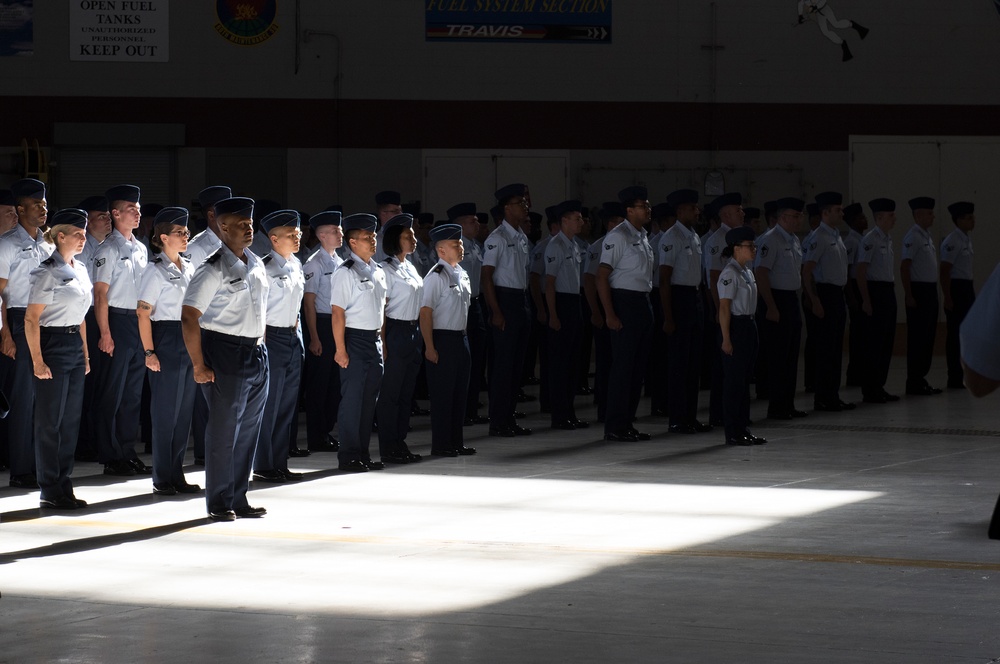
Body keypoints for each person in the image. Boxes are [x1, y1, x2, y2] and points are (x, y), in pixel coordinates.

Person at [182, 197, 269, 521]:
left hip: (256, 351)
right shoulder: (213, 268)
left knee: (248, 430)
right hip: (225, 351)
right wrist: (199, 365)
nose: (249, 229)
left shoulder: (256, 263)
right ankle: (218, 500)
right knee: (223, 431)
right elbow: (190, 317)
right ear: (223, 227)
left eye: (250, 224)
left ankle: (239, 496)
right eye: (241, 225)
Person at [25, 208, 92, 508]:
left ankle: (65, 484)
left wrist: (85, 354)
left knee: (70, 421)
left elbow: (81, 317)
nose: (83, 238)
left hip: (73, 345)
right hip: (51, 343)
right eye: (77, 234)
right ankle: (49, 488)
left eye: (85, 233)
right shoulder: (47, 271)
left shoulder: (80, 269)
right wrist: (38, 361)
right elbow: (31, 319)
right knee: (50, 422)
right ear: (60, 236)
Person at [137, 206, 201, 496]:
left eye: (186, 232)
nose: (185, 236)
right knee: (165, 413)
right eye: (179, 233)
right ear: (163, 237)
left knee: (183, 413)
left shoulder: (188, 267)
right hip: (166, 336)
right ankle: (162, 476)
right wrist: (150, 352)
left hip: (188, 337)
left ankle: (177, 473)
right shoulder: (155, 270)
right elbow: (143, 313)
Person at [0, 178, 54, 489]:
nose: (43, 209)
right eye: (37, 205)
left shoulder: (47, 245)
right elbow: (0, 295)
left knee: (42, 397)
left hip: (45, 321)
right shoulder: (7, 244)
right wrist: (5, 334)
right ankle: (21, 469)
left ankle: (38, 463)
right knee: (22, 397)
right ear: (20, 209)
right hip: (19, 320)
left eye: (45, 204)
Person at [252, 209, 307, 483]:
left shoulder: (296, 264)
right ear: (273, 239)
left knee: (287, 404)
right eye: (290, 235)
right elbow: (259, 310)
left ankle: (280, 461)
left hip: (292, 336)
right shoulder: (265, 267)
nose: (297, 238)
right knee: (270, 404)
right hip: (271, 337)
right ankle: (264, 464)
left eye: (297, 233)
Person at [597, 185, 654, 442]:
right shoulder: (618, 236)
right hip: (624, 302)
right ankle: (614, 426)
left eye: (648, 205)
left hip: (642, 302)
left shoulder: (642, 235)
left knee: (637, 368)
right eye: (643, 206)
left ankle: (627, 423)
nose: (648, 209)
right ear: (630, 211)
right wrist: (610, 313)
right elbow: (601, 277)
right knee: (623, 369)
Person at [332, 213, 387, 472]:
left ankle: (363, 453)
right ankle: (349, 455)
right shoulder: (346, 272)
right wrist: (341, 349)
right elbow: (338, 313)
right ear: (352, 243)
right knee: (353, 401)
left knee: (368, 402)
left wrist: (382, 342)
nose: (373, 241)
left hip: (373, 339)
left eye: (374, 236)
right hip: (354, 340)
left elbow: (380, 311)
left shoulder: (377, 270)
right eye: (367, 237)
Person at [185, 185, 233, 465]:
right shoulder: (197, 247)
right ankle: (204, 451)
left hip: (226, 325)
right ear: (213, 213)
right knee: (205, 390)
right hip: (204, 324)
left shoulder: (233, 242)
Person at [659, 189, 713, 434]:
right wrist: (669, 316)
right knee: (679, 364)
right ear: (680, 211)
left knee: (694, 363)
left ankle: (690, 416)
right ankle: (677, 418)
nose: (697, 211)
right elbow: (665, 279)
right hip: (679, 299)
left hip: (695, 297)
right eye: (693, 208)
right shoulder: (672, 237)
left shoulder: (694, 236)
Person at [481, 183, 532, 438]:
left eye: (525, 203)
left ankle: (509, 418)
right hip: (504, 300)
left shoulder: (522, 237)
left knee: (516, 366)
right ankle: (498, 421)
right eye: (520, 204)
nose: (525, 207)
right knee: (502, 365)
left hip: (520, 300)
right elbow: (487, 277)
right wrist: (496, 311)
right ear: (506, 208)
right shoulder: (497, 239)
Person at [421, 223, 476, 457]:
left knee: (459, 394)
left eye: (461, 243)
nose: (460, 247)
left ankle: (456, 441)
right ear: (441, 250)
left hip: (460, 338)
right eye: (455, 244)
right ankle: (441, 444)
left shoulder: (461, 273)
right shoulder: (436, 276)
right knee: (443, 395)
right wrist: (430, 346)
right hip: (442, 339)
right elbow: (425, 312)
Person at [754, 197, 808, 420]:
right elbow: (761, 273)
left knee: (791, 355)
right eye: (795, 216)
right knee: (778, 356)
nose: (799, 220)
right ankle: (776, 406)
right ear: (783, 217)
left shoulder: (794, 240)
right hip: (776, 299)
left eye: (799, 216)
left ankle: (788, 403)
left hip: (791, 299)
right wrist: (771, 306)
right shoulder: (770, 239)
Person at [376, 213, 424, 464]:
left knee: (406, 393)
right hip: (394, 331)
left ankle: (400, 441)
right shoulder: (385, 269)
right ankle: (388, 445)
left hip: (412, 331)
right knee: (391, 393)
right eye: (408, 236)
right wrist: (382, 341)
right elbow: (382, 309)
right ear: (396, 239)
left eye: (413, 234)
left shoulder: (410, 267)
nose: (414, 239)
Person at [802, 191, 855, 412]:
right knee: (825, 349)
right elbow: (807, 272)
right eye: (838, 210)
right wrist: (814, 300)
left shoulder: (835, 236)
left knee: (835, 349)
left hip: (836, 295)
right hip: (824, 294)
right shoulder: (819, 238)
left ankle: (832, 394)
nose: (842, 213)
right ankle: (822, 397)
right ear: (825, 213)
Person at [717, 226, 766, 446]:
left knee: (745, 381)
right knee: (734, 382)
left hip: (749, 325)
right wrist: (726, 339)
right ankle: (733, 431)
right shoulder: (730, 273)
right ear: (737, 248)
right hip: (736, 326)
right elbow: (725, 308)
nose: (754, 249)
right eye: (749, 246)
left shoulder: (746, 271)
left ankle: (743, 428)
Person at [301, 210, 344, 454]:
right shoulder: (314, 264)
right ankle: (316, 436)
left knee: (334, 383)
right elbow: (309, 303)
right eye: (335, 231)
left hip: (338, 322)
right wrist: (315, 337)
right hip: (322, 324)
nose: (340, 234)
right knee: (319, 384)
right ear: (322, 235)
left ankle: (327, 430)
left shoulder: (339, 261)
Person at [544, 200, 588, 430]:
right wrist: (553, 314)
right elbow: (549, 284)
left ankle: (569, 412)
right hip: (561, 303)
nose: (581, 222)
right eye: (577, 218)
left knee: (573, 363)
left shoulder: (574, 245)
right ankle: (559, 415)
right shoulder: (556, 246)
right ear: (564, 221)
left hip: (574, 302)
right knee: (560, 364)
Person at [703, 193, 745, 426]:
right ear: (726, 215)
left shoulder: (740, 238)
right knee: (722, 367)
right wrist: (720, 312)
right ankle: (719, 415)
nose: (743, 213)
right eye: (738, 210)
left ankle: (736, 414)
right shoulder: (717, 240)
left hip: (740, 308)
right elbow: (713, 278)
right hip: (726, 309)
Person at [855, 198, 900, 403]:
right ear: (879, 217)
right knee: (874, 342)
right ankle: (870, 388)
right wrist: (866, 299)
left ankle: (879, 385)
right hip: (875, 291)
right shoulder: (871, 239)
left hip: (887, 290)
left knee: (886, 341)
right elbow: (861, 271)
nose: (894, 218)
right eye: (891, 215)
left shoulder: (887, 238)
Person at [584, 202, 625, 425]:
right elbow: (590, 282)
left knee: (619, 359)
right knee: (606, 360)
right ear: (611, 224)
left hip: (619, 304)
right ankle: (604, 406)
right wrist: (596, 312)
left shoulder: (627, 242)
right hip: (604, 307)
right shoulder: (599, 247)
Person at [451, 203, 489, 426]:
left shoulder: (474, 246)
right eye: (472, 221)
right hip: (461, 306)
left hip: (476, 304)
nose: (477, 224)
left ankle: (472, 408)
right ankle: (463, 410)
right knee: (463, 361)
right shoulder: (456, 247)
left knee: (477, 358)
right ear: (460, 224)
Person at [900, 197, 942, 396]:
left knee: (928, 336)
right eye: (929, 212)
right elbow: (905, 266)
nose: (933, 216)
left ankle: (921, 378)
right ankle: (914, 380)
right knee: (918, 337)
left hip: (929, 291)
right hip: (918, 291)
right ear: (918, 215)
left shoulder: (926, 235)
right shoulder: (913, 236)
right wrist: (908, 294)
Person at [940, 202, 976, 390]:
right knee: (955, 335)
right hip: (957, 289)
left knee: (966, 334)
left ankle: (963, 374)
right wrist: (948, 296)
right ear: (959, 220)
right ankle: (954, 376)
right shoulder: (952, 241)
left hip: (967, 287)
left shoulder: (966, 239)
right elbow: (945, 270)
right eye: (969, 217)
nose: (973, 220)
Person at [842, 202, 868, 388]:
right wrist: (851, 298)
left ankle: (861, 372)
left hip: (863, 289)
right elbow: (848, 271)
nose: (864, 220)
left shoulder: (862, 239)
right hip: (855, 291)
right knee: (858, 335)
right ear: (852, 222)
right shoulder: (851, 241)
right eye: (860, 218)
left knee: (865, 336)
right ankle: (854, 375)